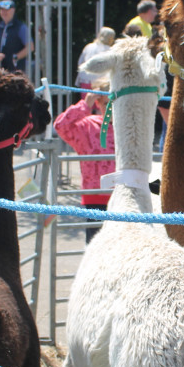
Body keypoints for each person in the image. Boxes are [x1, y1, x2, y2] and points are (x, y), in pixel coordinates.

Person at [53, 77, 115, 243]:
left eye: (115, 103)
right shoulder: (87, 126)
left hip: (123, 196)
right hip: (95, 197)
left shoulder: (130, 128)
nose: (111, 108)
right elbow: (60, 126)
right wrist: (85, 104)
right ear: (98, 104)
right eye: (106, 103)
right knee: (96, 245)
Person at [0, 0, 32, 73]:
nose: (4, 12)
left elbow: (30, 47)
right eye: (2, 9)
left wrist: (15, 57)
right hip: (1, 70)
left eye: (7, 9)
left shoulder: (21, 27)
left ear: (13, 10)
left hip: (16, 71)